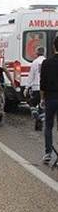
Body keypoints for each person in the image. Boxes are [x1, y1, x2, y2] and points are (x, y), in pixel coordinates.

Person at [39, 36, 58, 166]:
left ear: (53, 46)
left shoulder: (46, 63)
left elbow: (42, 83)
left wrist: (41, 98)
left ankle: (48, 153)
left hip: (50, 97)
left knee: (49, 126)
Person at [26, 47, 46, 131]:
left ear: (37, 53)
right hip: (46, 87)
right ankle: (40, 122)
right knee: (43, 105)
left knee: (32, 103)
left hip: (36, 87)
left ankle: (37, 117)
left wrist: (27, 87)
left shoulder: (34, 62)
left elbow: (31, 76)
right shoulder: (47, 61)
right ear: (44, 53)